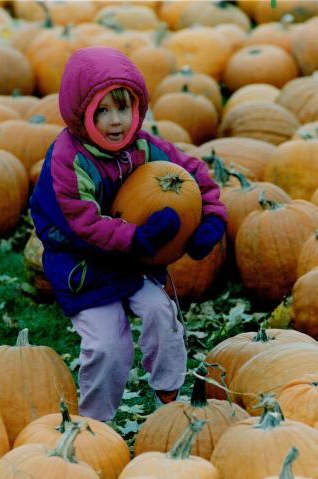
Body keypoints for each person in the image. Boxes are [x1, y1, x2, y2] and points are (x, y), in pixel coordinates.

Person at [30, 46, 227, 422]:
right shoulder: (67, 160)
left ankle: (167, 402)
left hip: (135, 261)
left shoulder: (144, 146)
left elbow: (195, 176)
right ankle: (95, 424)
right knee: (109, 346)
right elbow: (80, 221)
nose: (115, 121)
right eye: (102, 111)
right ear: (80, 113)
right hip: (85, 267)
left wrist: (211, 220)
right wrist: (136, 238)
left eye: (123, 108)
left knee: (162, 316)